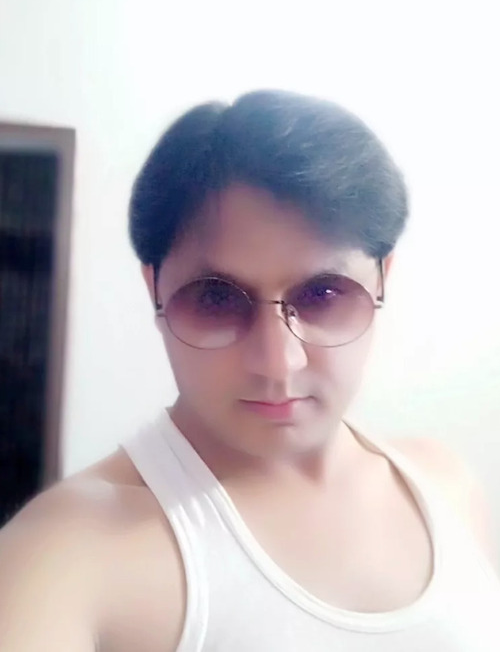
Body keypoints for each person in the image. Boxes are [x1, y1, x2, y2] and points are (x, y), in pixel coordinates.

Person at [1, 90, 499, 651]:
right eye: (216, 298)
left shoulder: (447, 488)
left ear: (383, 279)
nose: (278, 362)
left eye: (324, 294)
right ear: (154, 289)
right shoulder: (66, 555)